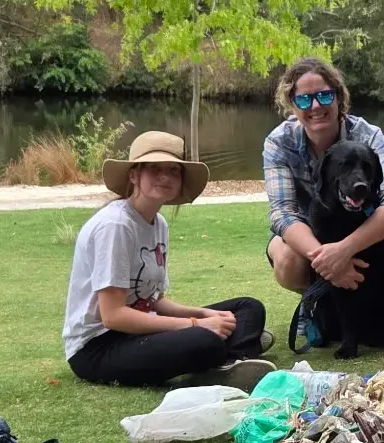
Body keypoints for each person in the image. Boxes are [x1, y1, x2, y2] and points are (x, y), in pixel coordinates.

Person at [64, 130, 273, 389]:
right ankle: (234, 349)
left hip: (139, 331)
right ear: (134, 174)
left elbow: (155, 301)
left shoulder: (158, 223)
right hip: (99, 346)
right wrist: (196, 324)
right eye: (154, 168)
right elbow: (113, 316)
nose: (165, 176)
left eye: (173, 170)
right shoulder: (116, 225)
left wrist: (204, 313)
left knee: (248, 308)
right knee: (202, 339)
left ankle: (228, 358)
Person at [264, 56, 384, 343]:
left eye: (325, 95)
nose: (316, 106)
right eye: (304, 100)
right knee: (285, 257)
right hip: (311, 236)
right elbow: (282, 214)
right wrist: (328, 263)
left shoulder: (367, 135)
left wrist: (345, 250)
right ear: (292, 104)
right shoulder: (279, 142)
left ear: (338, 97)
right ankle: (314, 301)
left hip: (364, 229)